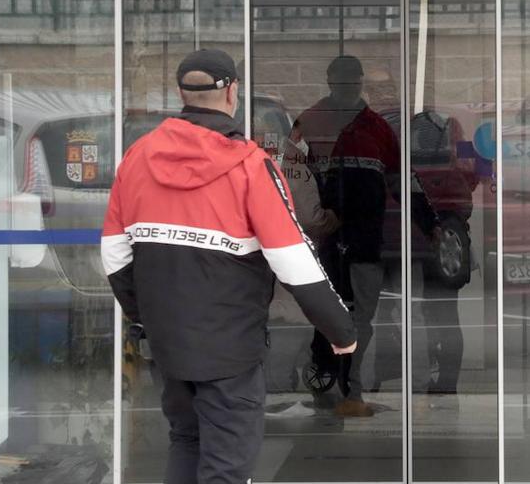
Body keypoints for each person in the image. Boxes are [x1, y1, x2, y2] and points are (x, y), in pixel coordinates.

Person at [101, 48, 356, 484]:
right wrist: (341, 331)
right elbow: (293, 260)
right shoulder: (251, 167)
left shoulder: (137, 159)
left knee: (185, 442)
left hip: (170, 344)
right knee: (227, 467)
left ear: (181, 93)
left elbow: (114, 254)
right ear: (233, 92)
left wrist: (148, 318)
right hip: (230, 350)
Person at [293, 55, 399, 417]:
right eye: (340, 83)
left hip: (365, 238)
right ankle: (326, 372)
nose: (346, 89)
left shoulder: (377, 128)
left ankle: (351, 388)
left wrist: (426, 222)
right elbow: (291, 172)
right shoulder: (309, 121)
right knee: (329, 312)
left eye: (352, 83)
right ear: (329, 82)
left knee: (359, 318)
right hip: (323, 236)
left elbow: (399, 179)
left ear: (360, 82)